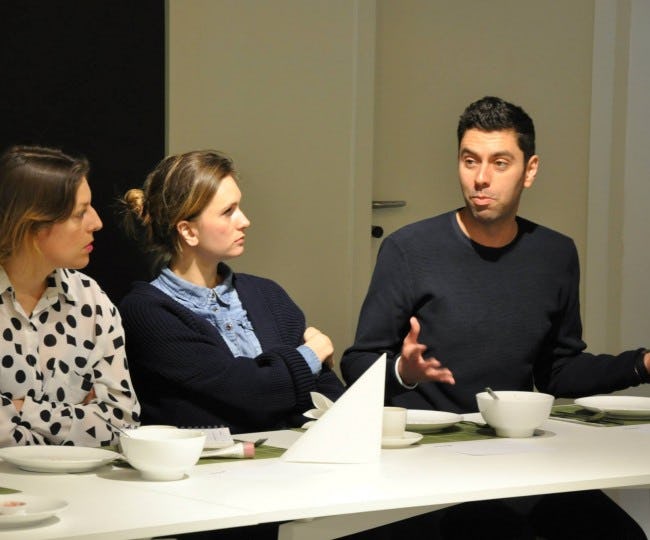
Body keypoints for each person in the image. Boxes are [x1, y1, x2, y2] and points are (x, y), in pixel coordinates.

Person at [341, 96, 649, 539]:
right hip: (432, 456)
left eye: (499, 163)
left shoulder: (555, 254)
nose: (480, 178)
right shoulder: (410, 249)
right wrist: (403, 372)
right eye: (470, 161)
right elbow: (356, 363)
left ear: (530, 170)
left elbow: (559, 371)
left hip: (517, 455)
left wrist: (642, 364)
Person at [118, 149, 345, 436]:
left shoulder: (268, 294)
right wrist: (311, 354)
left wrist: (282, 380)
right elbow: (246, 394)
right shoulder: (146, 311)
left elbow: (330, 396)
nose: (244, 221)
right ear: (188, 231)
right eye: (228, 212)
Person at [0, 145, 140, 447]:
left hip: (82, 477)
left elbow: (121, 424)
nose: (97, 222)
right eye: (80, 213)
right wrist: (74, 420)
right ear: (32, 223)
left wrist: (22, 410)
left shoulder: (92, 300)